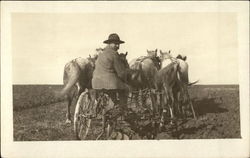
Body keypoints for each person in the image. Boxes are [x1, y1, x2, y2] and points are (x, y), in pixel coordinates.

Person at [92, 33, 129, 112]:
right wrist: (125, 80)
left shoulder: (101, 54)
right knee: (125, 88)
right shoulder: (114, 54)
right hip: (109, 83)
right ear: (109, 43)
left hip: (96, 82)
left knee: (112, 89)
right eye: (115, 44)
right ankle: (123, 109)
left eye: (118, 44)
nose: (118, 46)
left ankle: (106, 105)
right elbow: (121, 73)